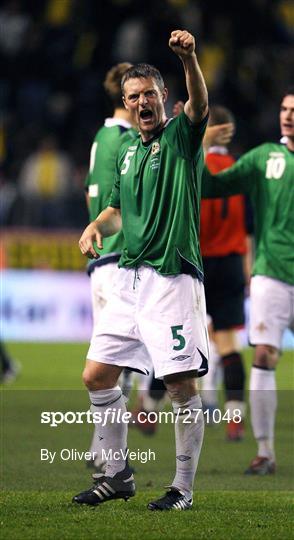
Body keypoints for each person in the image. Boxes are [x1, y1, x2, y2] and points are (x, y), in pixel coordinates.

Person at [74, 29, 209, 511]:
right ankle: (116, 475)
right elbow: (114, 210)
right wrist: (95, 226)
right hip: (129, 278)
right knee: (96, 376)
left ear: (163, 96)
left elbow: (198, 103)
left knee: (179, 386)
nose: (141, 103)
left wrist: (189, 59)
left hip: (172, 278)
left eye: (149, 94)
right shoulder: (128, 152)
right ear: (126, 103)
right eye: (133, 97)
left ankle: (183, 488)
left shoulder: (181, 136)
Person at [202, 88, 294, 474]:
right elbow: (212, 187)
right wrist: (196, 143)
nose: (288, 115)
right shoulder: (264, 157)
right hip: (272, 271)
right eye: (285, 108)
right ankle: (265, 451)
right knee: (263, 355)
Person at [84, 62, 137, 472]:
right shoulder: (125, 140)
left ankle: (101, 449)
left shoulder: (102, 135)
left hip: (102, 261)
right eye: (135, 94)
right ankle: (109, 456)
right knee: (119, 358)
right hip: (120, 256)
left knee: (106, 359)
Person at [200, 105, 249, 441]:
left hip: (198, 262)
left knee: (180, 338)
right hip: (232, 262)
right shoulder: (244, 170)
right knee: (229, 344)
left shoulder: (194, 166)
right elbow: (250, 226)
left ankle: (149, 406)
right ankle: (235, 418)